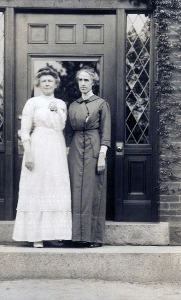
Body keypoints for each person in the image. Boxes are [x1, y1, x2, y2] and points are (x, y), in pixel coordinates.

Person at [13, 67, 72, 248]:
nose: (47, 84)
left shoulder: (61, 103)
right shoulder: (32, 102)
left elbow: (61, 126)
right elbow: (24, 129)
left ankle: (54, 233)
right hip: (38, 145)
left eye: (50, 81)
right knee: (36, 186)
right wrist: (28, 152)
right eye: (44, 81)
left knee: (55, 186)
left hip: (56, 146)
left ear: (55, 84)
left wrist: (56, 111)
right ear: (39, 84)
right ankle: (35, 235)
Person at [66, 66, 111, 248]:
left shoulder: (101, 103)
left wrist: (101, 156)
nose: (83, 84)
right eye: (80, 80)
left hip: (93, 146)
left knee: (93, 190)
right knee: (75, 189)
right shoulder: (73, 105)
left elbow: (106, 131)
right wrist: (67, 151)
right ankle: (74, 236)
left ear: (93, 82)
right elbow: (68, 132)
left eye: (86, 80)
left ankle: (93, 237)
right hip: (76, 148)